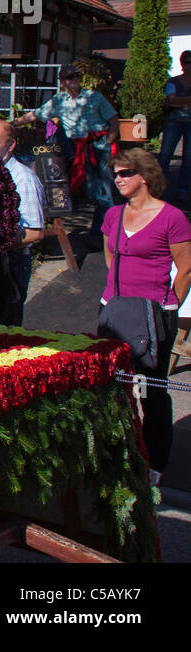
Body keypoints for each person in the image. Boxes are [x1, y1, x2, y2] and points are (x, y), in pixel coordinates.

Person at [100, 148, 191, 477]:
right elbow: (110, 256)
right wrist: (117, 297)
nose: (118, 179)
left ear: (145, 176)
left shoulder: (172, 218)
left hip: (155, 311)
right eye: (116, 173)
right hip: (115, 308)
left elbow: (186, 269)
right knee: (112, 384)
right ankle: (118, 451)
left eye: (125, 173)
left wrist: (168, 307)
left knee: (153, 387)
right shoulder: (113, 215)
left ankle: (156, 461)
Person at [17, 66, 119, 244]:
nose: (73, 81)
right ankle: (108, 230)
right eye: (69, 78)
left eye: (76, 77)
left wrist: (109, 142)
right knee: (93, 190)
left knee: (105, 188)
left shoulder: (94, 96)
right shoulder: (59, 101)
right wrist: (11, 124)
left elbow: (113, 120)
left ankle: (103, 234)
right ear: (62, 81)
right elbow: (36, 115)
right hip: (81, 148)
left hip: (100, 144)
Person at [0, 120, 46, 325]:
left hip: (11, 261)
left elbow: (35, 232)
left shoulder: (23, 179)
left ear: (11, 145)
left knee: (5, 322)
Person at [159, 50, 191, 203]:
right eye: (187, 63)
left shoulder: (174, 84)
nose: (189, 66)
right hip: (174, 122)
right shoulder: (173, 82)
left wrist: (179, 100)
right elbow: (169, 101)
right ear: (182, 64)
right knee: (165, 154)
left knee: (188, 157)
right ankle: (157, 187)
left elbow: (174, 100)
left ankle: (182, 189)